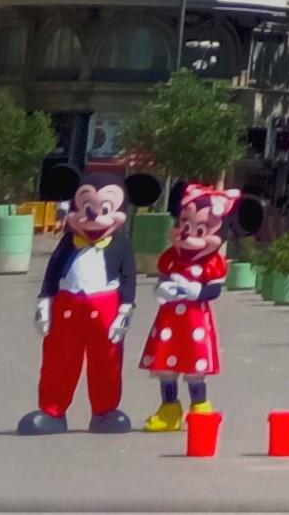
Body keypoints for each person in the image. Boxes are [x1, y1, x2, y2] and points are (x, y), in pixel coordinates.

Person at [22, 178, 138, 434]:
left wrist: (125, 310)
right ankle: (52, 410)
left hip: (106, 307)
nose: (94, 216)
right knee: (59, 359)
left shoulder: (120, 243)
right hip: (66, 307)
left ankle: (105, 411)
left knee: (106, 360)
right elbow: (52, 271)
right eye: (86, 207)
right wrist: (44, 302)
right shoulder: (68, 242)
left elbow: (129, 276)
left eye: (105, 209)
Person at [140, 185, 231, 435]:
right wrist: (163, 289)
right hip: (170, 320)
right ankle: (169, 410)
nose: (189, 235)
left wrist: (195, 292)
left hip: (195, 322)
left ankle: (199, 408)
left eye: (200, 230)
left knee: (195, 367)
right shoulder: (172, 257)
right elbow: (163, 278)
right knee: (166, 367)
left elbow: (214, 291)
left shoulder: (212, 263)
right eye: (185, 226)